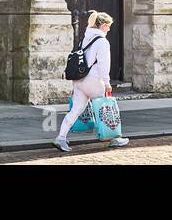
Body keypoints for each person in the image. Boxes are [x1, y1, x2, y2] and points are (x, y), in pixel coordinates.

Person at [54, 11, 129, 152]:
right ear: (102, 26)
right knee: (105, 109)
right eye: (108, 26)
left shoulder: (85, 38)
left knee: (75, 111)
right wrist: (107, 83)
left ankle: (61, 138)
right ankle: (114, 138)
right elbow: (103, 65)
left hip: (80, 81)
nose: (109, 29)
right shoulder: (102, 42)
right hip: (94, 80)